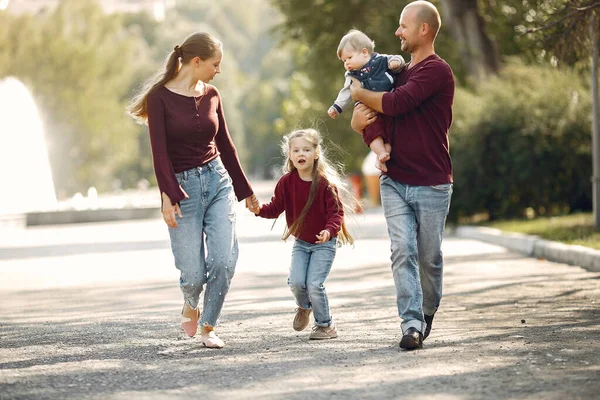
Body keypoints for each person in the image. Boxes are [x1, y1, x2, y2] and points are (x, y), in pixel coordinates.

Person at [127, 32, 259, 349]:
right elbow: (159, 152)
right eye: (216, 64)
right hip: (182, 188)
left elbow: (226, 147)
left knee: (224, 261)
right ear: (196, 62)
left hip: (217, 182)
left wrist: (246, 191)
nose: (218, 71)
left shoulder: (213, 94)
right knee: (193, 274)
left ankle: (208, 326)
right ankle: (191, 300)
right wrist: (167, 196)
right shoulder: (159, 98)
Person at [349, 1, 454, 350]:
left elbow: (396, 104)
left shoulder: (437, 71)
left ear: (423, 30)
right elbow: (378, 119)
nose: (397, 33)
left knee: (429, 257)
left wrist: (357, 93)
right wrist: (359, 124)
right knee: (402, 250)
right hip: (394, 179)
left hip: (433, 181)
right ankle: (410, 324)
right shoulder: (395, 74)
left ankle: (426, 311)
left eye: (403, 26)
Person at [251, 129, 359, 340]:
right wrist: (258, 210)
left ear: (316, 153)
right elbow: (275, 208)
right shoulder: (286, 182)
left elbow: (336, 213)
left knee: (314, 284)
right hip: (301, 243)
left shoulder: (325, 184)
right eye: (297, 150)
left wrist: (329, 231)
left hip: (324, 244)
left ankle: (325, 325)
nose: (302, 153)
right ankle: (304, 306)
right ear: (290, 155)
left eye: (307, 149)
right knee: (296, 282)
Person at [327, 29, 406, 172]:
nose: (346, 63)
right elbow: (346, 92)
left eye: (349, 58)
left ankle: (384, 156)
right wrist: (336, 107)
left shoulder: (381, 60)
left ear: (364, 52)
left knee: (390, 134)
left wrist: (396, 62)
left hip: (387, 104)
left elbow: (397, 59)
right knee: (372, 131)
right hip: (369, 112)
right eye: (344, 61)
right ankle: (380, 153)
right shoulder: (352, 75)